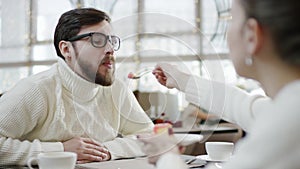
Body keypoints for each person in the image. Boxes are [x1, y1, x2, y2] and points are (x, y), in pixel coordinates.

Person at [139, 0, 300, 168]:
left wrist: (166, 155)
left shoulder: (289, 122)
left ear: (251, 34)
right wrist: (183, 80)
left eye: (231, 20)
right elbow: (245, 108)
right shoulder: (288, 107)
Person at [0, 8, 154, 165]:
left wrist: (105, 150)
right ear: (66, 49)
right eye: (97, 40)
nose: (110, 49)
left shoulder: (116, 89)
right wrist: (60, 151)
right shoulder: (36, 90)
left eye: (112, 41)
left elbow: (151, 136)